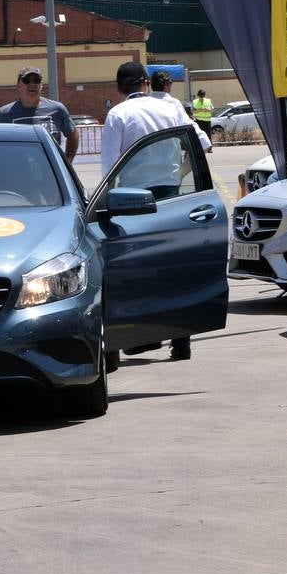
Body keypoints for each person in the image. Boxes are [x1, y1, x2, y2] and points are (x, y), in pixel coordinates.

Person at [100, 61, 207, 361]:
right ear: (146, 84)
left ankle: (141, 335)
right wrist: (180, 174)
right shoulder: (171, 109)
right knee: (172, 270)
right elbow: (203, 142)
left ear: (120, 89)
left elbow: (109, 167)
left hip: (132, 201)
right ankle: (181, 342)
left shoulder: (117, 114)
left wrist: (104, 205)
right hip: (171, 198)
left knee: (137, 271)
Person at [0, 66, 80, 161]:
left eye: (36, 80)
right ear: (18, 86)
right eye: (27, 80)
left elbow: (73, 134)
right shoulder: (3, 114)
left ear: (41, 85)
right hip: (17, 171)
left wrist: (67, 161)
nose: (32, 84)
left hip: (49, 172)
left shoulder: (57, 109)